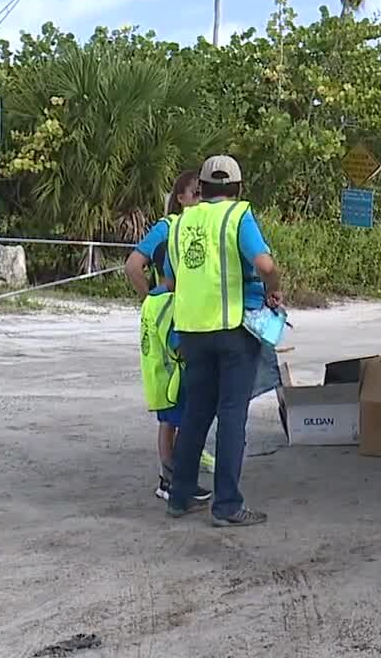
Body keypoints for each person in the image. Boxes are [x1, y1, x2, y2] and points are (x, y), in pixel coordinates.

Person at [166, 155, 283, 527]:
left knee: (197, 412)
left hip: (193, 331)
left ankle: (180, 494)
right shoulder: (238, 216)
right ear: (237, 188)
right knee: (232, 415)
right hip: (234, 330)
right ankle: (227, 504)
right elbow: (264, 265)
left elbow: (172, 277)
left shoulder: (183, 222)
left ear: (200, 187)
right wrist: (274, 289)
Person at [124, 170, 212, 504]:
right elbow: (133, 265)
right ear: (181, 198)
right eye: (196, 193)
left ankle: (178, 473)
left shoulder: (207, 228)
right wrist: (154, 296)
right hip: (174, 322)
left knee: (191, 401)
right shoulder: (168, 228)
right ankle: (169, 476)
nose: (201, 199)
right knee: (172, 404)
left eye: (204, 193)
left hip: (200, 319)